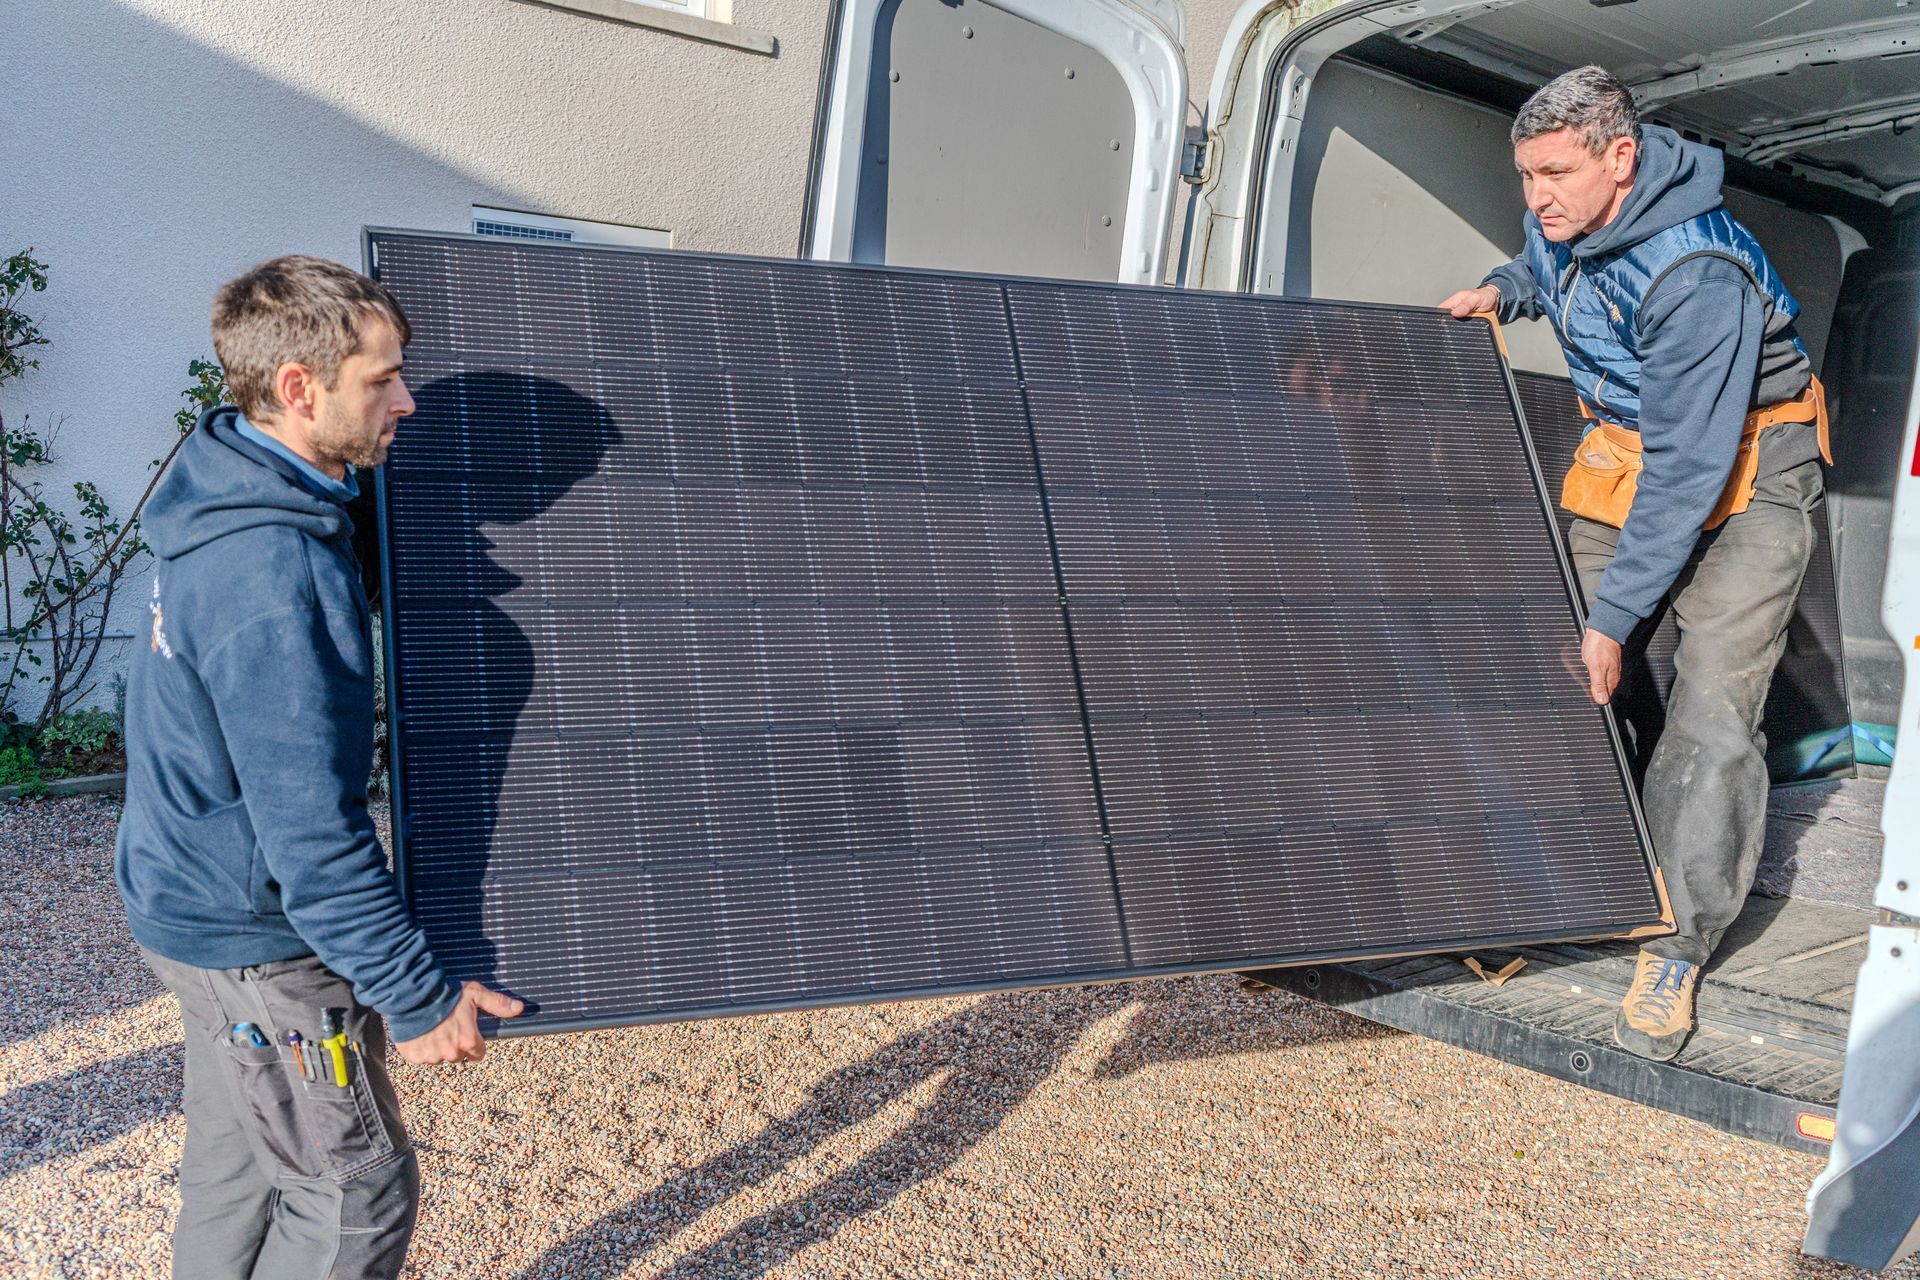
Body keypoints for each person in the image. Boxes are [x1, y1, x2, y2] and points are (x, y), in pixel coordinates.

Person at [115, 255, 524, 1278]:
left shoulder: (229, 479)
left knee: (242, 1162)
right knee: (354, 1188)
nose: (408, 400)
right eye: (380, 379)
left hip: (187, 902)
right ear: (299, 390)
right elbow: (313, 838)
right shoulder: (276, 576)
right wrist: (418, 996)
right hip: (258, 937)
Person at [1441, 67, 1831, 1061]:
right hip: (1629, 456)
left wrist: (1614, 619)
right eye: (1526, 175)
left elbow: (1689, 474)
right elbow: (1549, 259)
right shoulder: (1569, 211)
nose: (1537, 195)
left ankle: (1678, 935)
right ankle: (1560, 883)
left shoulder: (1697, 272)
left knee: (1710, 701)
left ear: (1621, 158)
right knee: (1562, 668)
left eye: (1556, 173)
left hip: (1743, 470)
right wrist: (1506, 287)